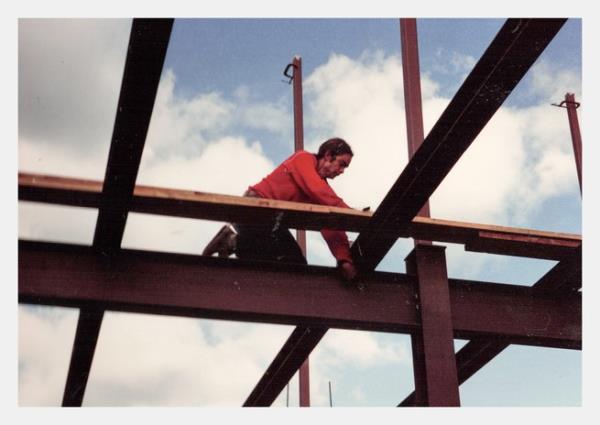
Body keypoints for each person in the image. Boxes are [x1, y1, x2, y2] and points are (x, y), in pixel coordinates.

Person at [203, 137, 357, 281]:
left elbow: (331, 224)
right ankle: (232, 242)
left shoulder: (321, 190)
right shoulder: (303, 159)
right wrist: (351, 213)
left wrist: (344, 260)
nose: (342, 171)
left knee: (296, 264)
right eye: (342, 164)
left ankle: (232, 242)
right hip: (253, 210)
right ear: (328, 155)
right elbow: (319, 191)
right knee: (287, 261)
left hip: (270, 222)